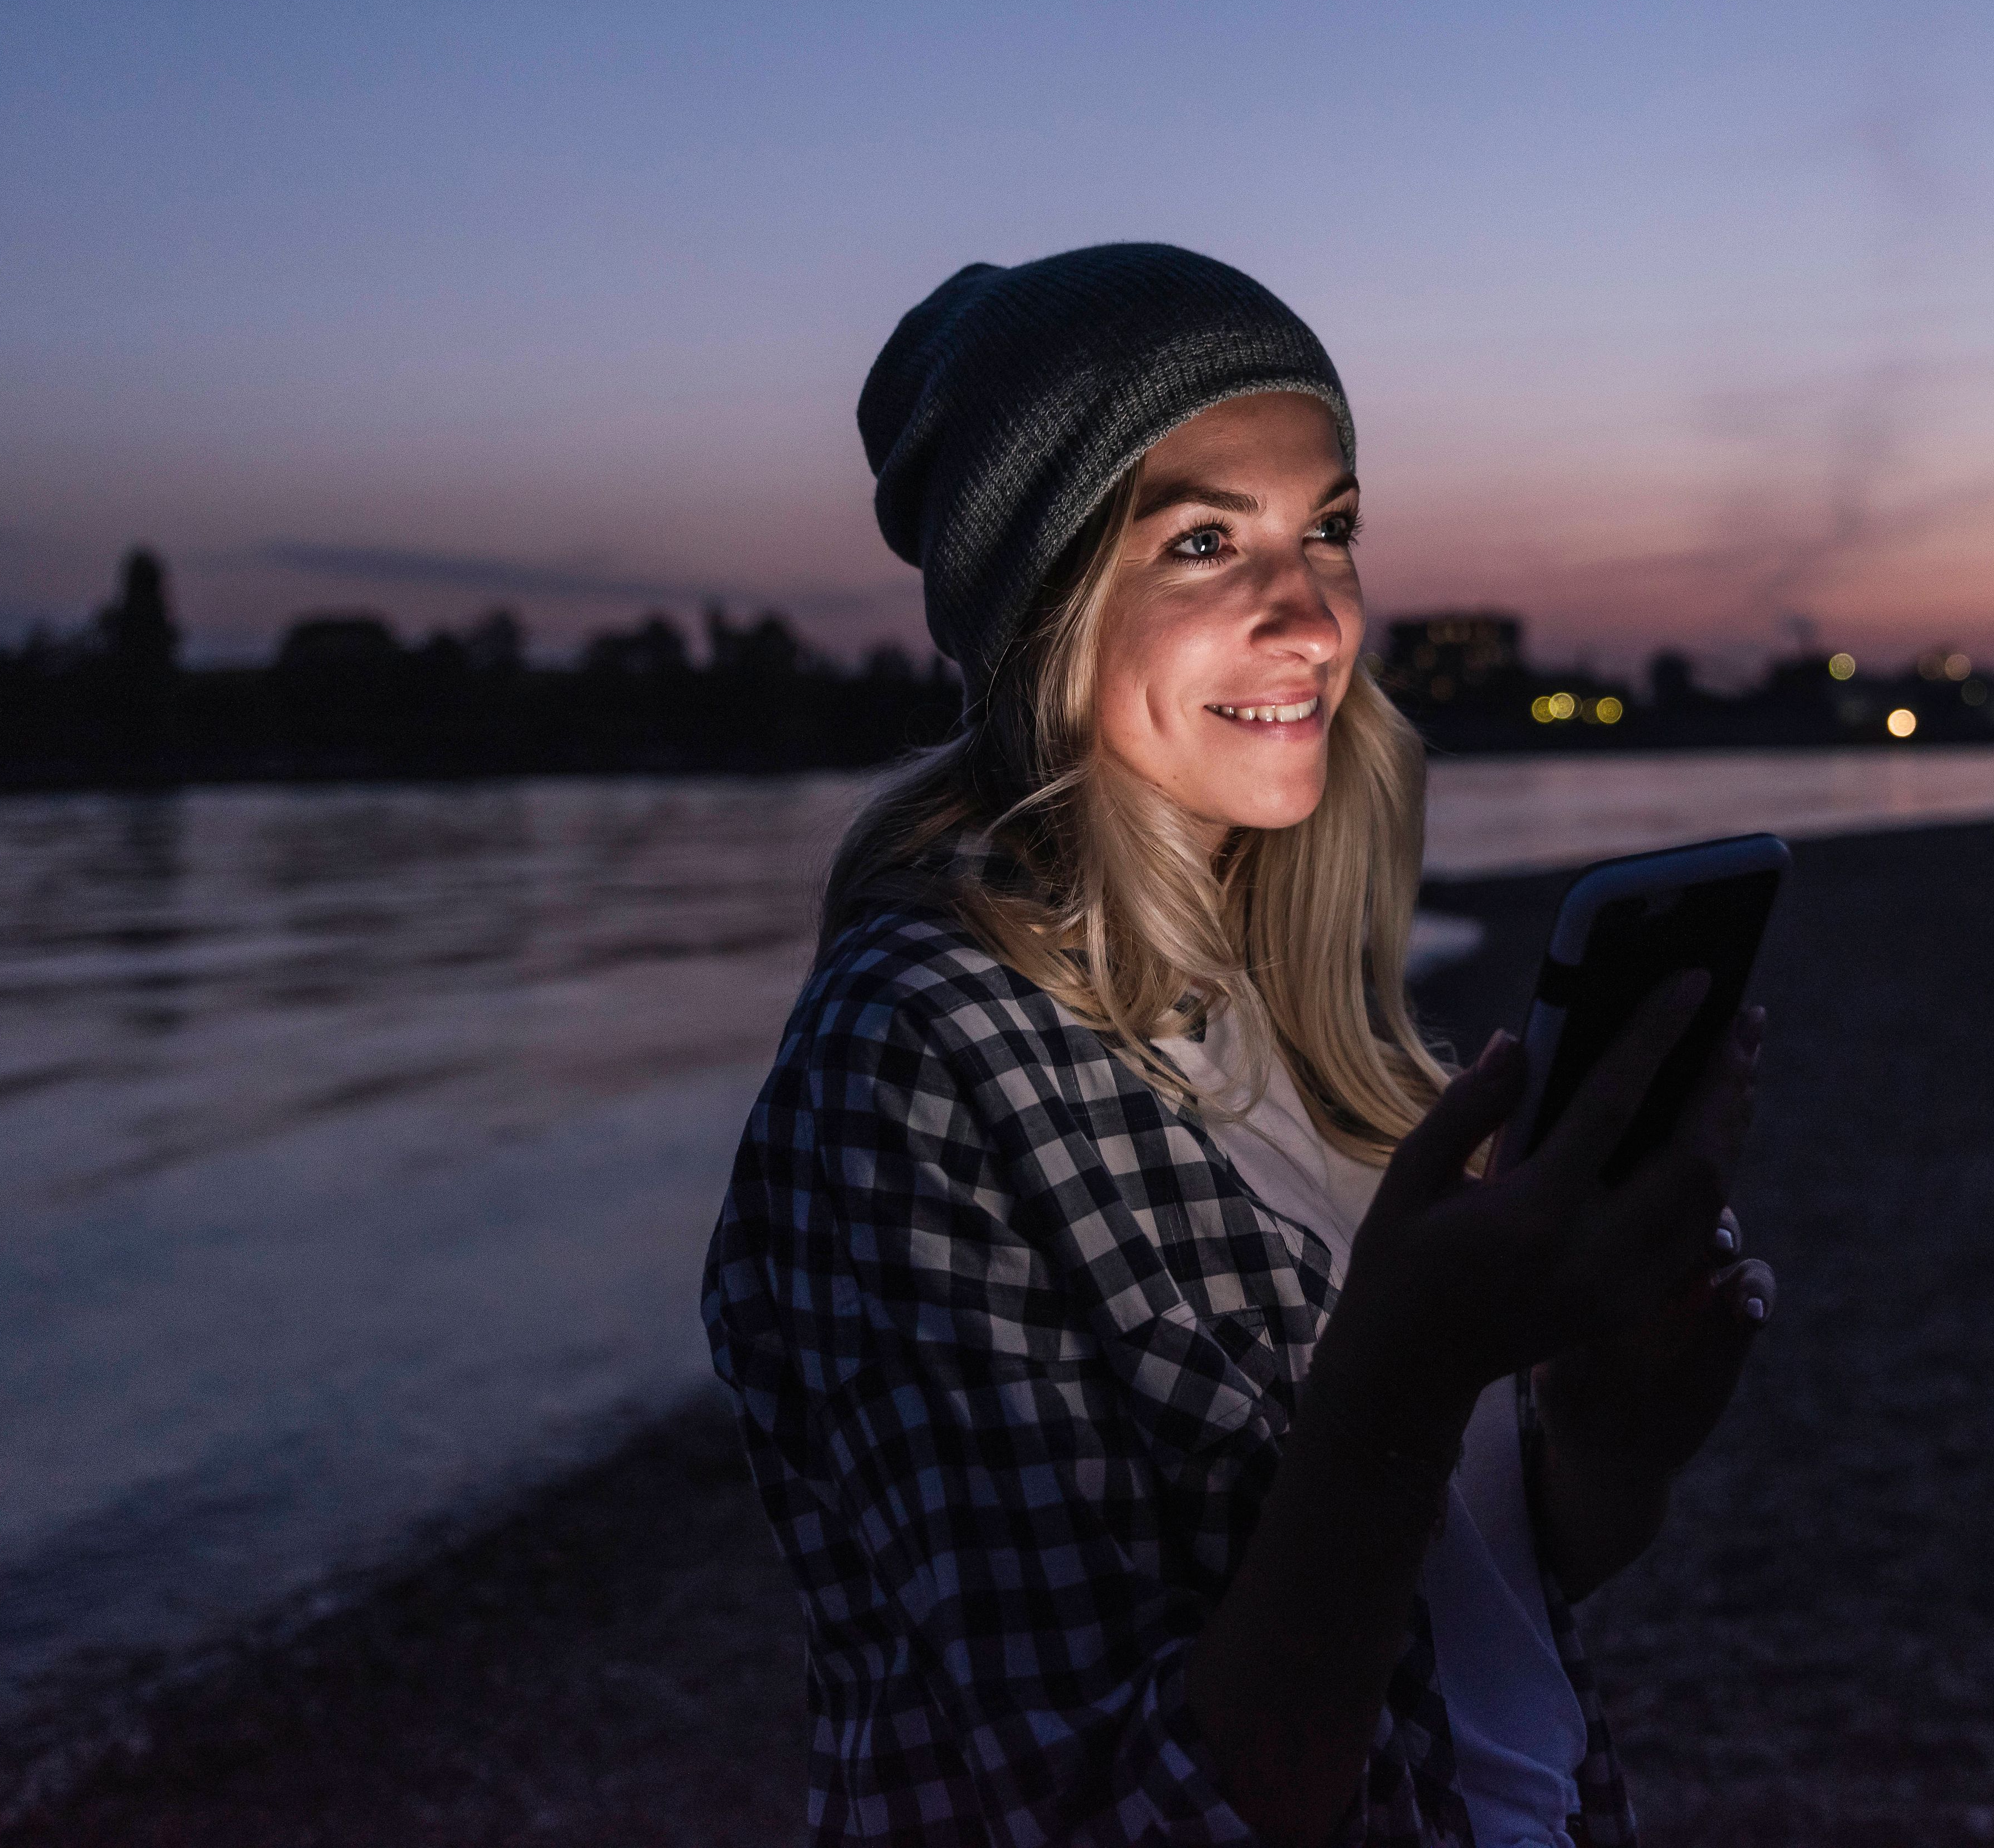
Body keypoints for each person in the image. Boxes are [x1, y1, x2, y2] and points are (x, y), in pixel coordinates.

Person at [704, 244, 1778, 1846]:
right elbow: (1108, 1810)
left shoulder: (1296, 1014)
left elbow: (1458, 1604)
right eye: (1205, 539)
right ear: (1038, 604)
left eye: (1328, 528)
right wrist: (1411, 1359)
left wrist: (1611, 1442)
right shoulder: (913, 1061)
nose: (1308, 611)